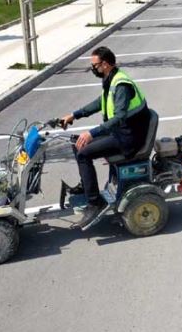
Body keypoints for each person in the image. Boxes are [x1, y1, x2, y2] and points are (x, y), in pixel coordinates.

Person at [60, 46, 151, 228]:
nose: (93, 69)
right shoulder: (111, 79)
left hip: (129, 137)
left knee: (83, 153)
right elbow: (100, 103)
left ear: (106, 64)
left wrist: (92, 133)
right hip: (120, 132)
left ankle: (95, 203)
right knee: (76, 143)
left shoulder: (121, 85)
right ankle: (87, 186)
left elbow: (119, 118)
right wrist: (74, 114)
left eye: (95, 65)